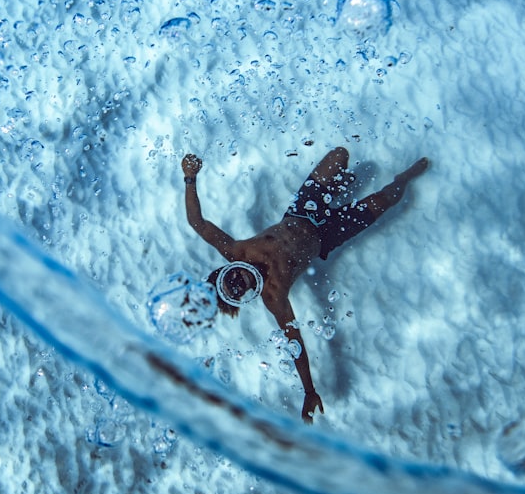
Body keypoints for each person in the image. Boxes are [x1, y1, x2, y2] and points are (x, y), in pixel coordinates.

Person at [181, 147, 429, 423]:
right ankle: (404, 178)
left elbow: (197, 223)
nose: (240, 280)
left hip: (303, 210)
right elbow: (295, 343)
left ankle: (341, 189)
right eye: (237, 290)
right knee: (388, 198)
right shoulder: (274, 294)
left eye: (232, 278)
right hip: (328, 235)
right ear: (246, 297)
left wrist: (189, 178)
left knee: (341, 155)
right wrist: (309, 391)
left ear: (228, 267)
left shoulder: (237, 250)